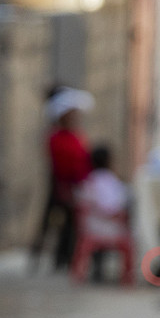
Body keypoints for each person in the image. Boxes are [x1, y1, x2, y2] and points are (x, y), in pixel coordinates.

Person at [34, 87, 94, 272]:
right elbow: (66, 164)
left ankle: (66, 259)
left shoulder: (75, 136)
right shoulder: (57, 138)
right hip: (63, 185)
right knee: (53, 224)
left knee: (71, 226)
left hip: (76, 186)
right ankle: (50, 258)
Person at [75, 145, 129, 282]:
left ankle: (80, 273)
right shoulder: (111, 181)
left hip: (89, 227)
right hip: (110, 228)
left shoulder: (88, 181)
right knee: (130, 237)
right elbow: (114, 206)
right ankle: (127, 277)